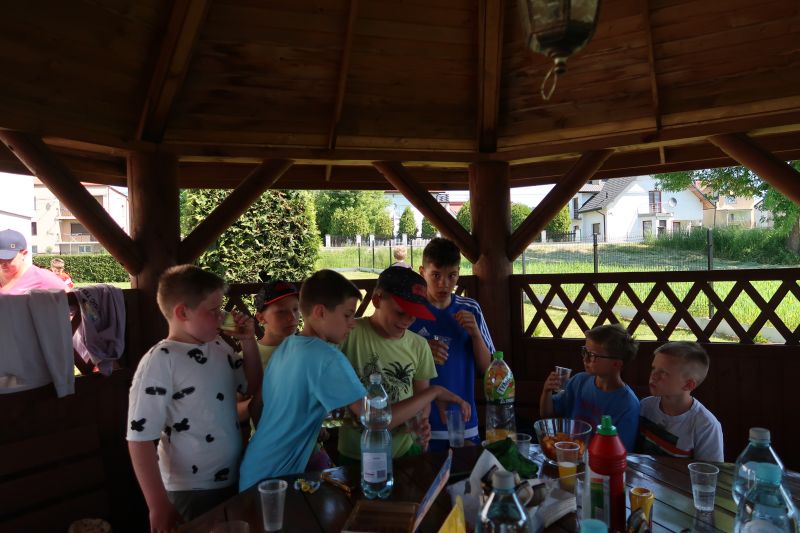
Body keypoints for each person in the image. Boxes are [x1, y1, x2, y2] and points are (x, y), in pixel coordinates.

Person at [126, 265, 262, 531]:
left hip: (235, 475)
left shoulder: (218, 346)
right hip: (190, 489)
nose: (222, 316)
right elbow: (139, 438)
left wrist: (248, 341)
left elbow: (252, 385)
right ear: (183, 313)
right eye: (214, 310)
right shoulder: (161, 360)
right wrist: (158, 505)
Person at [238, 269, 368, 491]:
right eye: (347, 315)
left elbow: (258, 406)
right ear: (320, 312)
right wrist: (430, 394)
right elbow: (376, 417)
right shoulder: (327, 357)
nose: (352, 323)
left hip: (255, 468)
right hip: (274, 480)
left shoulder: (286, 346)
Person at [337, 265, 471, 463]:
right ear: (377, 300)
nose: (408, 320)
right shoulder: (348, 334)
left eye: (414, 314)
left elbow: (422, 399)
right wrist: (433, 394)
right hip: (356, 454)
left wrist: (420, 421)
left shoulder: (419, 345)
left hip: (405, 452)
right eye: (401, 313)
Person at [408, 237, 493, 450]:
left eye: (451, 276)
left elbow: (488, 368)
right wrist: (422, 352)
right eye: (436, 275)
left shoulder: (470, 308)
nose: (444, 284)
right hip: (420, 424)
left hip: (463, 421)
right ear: (422, 272)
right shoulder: (410, 312)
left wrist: (475, 335)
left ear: (458, 274)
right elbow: (395, 363)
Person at [540, 323, 640, 451]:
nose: (585, 359)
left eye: (593, 355)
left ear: (616, 364)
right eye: (585, 352)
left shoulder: (627, 404)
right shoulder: (579, 381)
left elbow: (620, 451)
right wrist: (547, 391)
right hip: (567, 453)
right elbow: (547, 415)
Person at [637, 341, 723, 462]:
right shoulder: (645, 406)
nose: (654, 376)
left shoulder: (706, 425)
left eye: (664, 373)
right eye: (654, 368)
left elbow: (710, 470)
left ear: (688, 385)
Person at [0, 229, 66, 294]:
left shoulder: (42, 277)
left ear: (24, 254)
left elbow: (68, 296)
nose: (2, 263)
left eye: (8, 258)